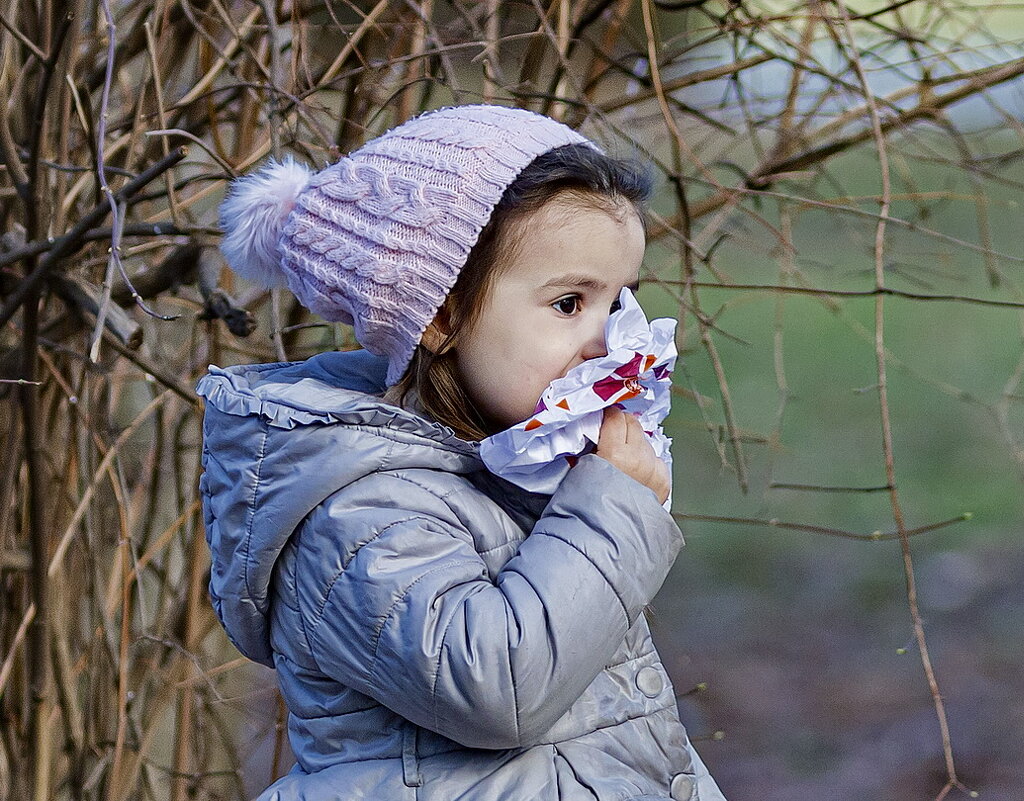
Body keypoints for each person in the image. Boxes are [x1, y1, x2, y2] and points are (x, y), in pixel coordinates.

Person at [197, 105, 726, 801]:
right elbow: (495, 688)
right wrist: (611, 510)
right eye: (569, 303)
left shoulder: (506, 462)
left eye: (618, 301)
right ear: (442, 316)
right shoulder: (354, 507)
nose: (607, 342)